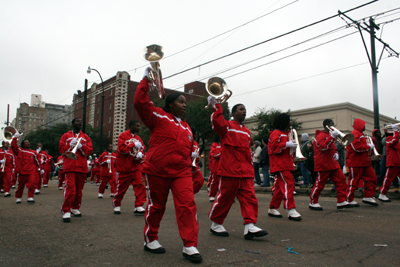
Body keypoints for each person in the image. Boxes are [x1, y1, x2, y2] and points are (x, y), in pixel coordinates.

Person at [134, 74, 202, 263]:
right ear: (170, 104)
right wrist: (146, 81)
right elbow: (140, 103)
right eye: (181, 101)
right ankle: (151, 239)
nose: (185, 105)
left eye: (185, 102)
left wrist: (194, 170)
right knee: (157, 205)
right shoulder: (158, 116)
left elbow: (188, 154)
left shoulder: (188, 129)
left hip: (181, 172)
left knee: (187, 206)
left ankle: (190, 245)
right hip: (157, 170)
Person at [207, 96, 268, 240]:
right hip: (229, 170)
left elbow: (247, 149)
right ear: (234, 113)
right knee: (224, 199)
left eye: (245, 110)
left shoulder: (247, 131)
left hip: (245, 171)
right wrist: (216, 106)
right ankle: (216, 224)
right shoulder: (226, 126)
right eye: (241, 109)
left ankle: (250, 226)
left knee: (250, 198)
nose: (244, 111)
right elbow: (217, 123)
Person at [309, 119, 350, 211]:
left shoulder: (329, 136)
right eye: (332, 125)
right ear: (326, 125)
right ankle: (313, 202)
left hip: (332, 164)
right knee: (320, 184)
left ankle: (341, 200)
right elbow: (323, 147)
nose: (333, 126)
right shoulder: (320, 136)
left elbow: (332, 148)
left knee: (341, 179)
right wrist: (332, 137)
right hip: (323, 164)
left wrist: (336, 153)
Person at [267, 113, 302, 221]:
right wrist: (286, 145)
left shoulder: (285, 133)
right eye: (289, 120)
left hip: (285, 163)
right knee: (289, 183)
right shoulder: (276, 133)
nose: (291, 122)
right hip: (280, 164)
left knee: (278, 188)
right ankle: (290, 209)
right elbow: (273, 148)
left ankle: (273, 208)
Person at [59, 117, 93, 222]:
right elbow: (61, 150)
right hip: (70, 166)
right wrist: (69, 145)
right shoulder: (66, 136)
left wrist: (81, 147)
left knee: (79, 191)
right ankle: (66, 210)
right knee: (71, 189)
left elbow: (89, 150)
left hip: (81, 167)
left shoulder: (85, 137)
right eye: (77, 121)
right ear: (73, 124)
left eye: (81, 122)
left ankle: (75, 208)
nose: (80, 123)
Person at [112, 120, 147, 215]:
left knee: (139, 185)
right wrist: (133, 145)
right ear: (131, 126)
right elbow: (122, 149)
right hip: (124, 167)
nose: (139, 128)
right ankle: (117, 203)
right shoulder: (123, 136)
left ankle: (139, 205)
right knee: (122, 187)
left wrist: (140, 153)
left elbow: (143, 148)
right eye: (137, 126)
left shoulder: (138, 138)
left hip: (136, 166)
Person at [345, 118, 378, 207]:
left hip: (364, 161)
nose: (365, 127)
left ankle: (368, 196)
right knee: (353, 181)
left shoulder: (360, 134)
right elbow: (356, 147)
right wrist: (368, 147)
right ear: (359, 125)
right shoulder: (354, 133)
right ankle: (348, 199)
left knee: (372, 178)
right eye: (363, 125)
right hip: (356, 162)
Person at [11, 135, 42, 203]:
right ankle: (18, 197)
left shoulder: (33, 152)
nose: (28, 143)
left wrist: (41, 168)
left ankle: (30, 197)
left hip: (31, 172)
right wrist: (15, 138)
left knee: (32, 184)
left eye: (28, 142)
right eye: (26, 142)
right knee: (20, 186)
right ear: (23, 144)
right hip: (22, 172)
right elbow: (13, 146)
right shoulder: (19, 150)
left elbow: (37, 161)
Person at [378, 124, 400, 202]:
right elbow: (393, 141)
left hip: (398, 162)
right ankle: (382, 194)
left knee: (388, 179)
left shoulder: (396, 138)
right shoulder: (388, 138)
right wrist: (396, 132)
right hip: (393, 162)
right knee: (388, 179)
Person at [207, 135, 222, 202]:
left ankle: (225, 196)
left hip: (225, 166)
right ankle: (212, 195)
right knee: (215, 181)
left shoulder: (225, 143)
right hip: (216, 166)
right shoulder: (214, 144)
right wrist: (223, 152)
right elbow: (214, 154)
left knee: (226, 182)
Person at [191, 129, 204, 194]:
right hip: (186, 165)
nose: (196, 135)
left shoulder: (196, 144)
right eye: (195, 134)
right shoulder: (186, 141)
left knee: (200, 180)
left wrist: (198, 161)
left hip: (194, 165)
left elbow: (197, 154)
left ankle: (189, 193)